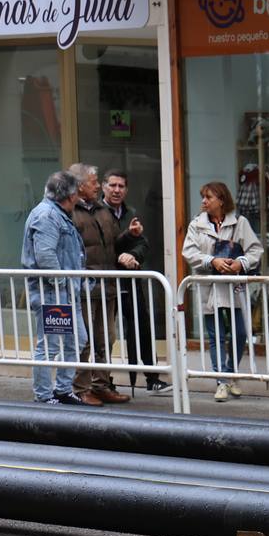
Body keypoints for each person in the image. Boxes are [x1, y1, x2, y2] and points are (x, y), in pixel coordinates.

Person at [181, 181, 263, 403]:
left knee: (239, 333)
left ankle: (229, 373)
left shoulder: (240, 222)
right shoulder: (196, 225)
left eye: (208, 197)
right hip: (210, 287)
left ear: (222, 200)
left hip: (234, 286)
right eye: (203, 197)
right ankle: (222, 382)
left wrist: (240, 263)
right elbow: (189, 252)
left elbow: (255, 249)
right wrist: (212, 261)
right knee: (216, 335)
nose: (204, 202)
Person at [22, 171, 91, 406]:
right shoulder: (47, 215)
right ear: (70, 195)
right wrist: (63, 283)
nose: (79, 197)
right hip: (53, 292)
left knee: (77, 340)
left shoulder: (56, 213)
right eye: (76, 193)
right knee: (49, 345)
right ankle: (44, 395)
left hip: (66, 291)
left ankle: (62, 389)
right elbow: (45, 255)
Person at [68, 163, 130, 405]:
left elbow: (115, 242)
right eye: (94, 182)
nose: (98, 186)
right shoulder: (70, 212)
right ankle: (81, 389)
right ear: (81, 186)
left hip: (107, 286)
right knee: (84, 341)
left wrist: (131, 237)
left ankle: (101, 384)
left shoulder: (103, 210)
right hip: (84, 288)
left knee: (106, 338)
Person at [102, 169, 165, 394]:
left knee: (141, 325)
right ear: (103, 187)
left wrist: (133, 256)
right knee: (106, 331)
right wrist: (119, 255)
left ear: (127, 189)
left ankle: (151, 377)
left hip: (130, 278)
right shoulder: (97, 213)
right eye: (113, 185)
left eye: (121, 186)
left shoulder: (131, 212)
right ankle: (103, 379)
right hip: (106, 280)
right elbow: (99, 246)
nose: (117, 190)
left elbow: (143, 242)